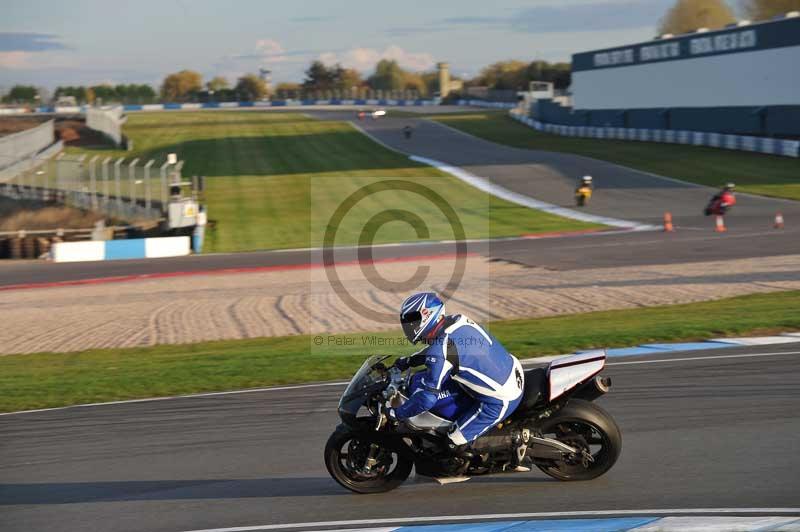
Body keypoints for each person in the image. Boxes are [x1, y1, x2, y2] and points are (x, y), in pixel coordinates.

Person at [386, 292, 525, 450]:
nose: (410, 326)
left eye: (413, 320)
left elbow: (427, 399)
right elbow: (447, 350)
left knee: (452, 443)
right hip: (512, 368)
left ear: (428, 315)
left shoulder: (439, 351)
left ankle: (513, 442)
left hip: (500, 399)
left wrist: (397, 413)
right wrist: (409, 361)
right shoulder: (457, 320)